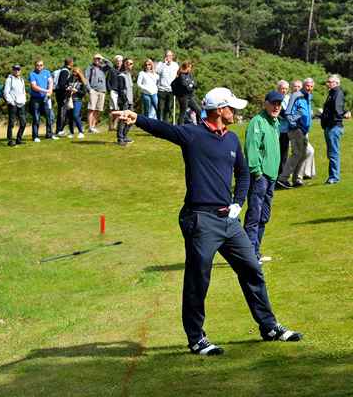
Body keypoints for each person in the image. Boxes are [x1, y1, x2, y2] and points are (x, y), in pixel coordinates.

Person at [112, 87, 302, 355]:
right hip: (200, 219)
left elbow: (244, 174)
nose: (236, 112)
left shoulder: (232, 140)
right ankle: (196, 338)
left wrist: (238, 203)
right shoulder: (192, 134)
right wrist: (137, 118)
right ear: (219, 110)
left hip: (229, 221)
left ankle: (269, 326)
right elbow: (163, 128)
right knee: (198, 279)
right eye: (232, 108)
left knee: (252, 269)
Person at [244, 91, 284, 265]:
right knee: (254, 215)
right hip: (260, 177)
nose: (276, 107)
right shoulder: (257, 122)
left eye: (279, 104)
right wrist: (258, 173)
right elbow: (251, 148)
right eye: (273, 103)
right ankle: (249, 255)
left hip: (271, 177)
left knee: (264, 216)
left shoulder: (275, 122)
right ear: (265, 103)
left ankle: (256, 252)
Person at [277, 78, 314, 188]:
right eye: (307, 86)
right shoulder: (296, 96)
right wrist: (295, 124)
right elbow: (288, 113)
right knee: (297, 154)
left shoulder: (307, 97)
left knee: (305, 153)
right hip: (295, 130)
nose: (309, 88)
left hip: (303, 130)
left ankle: (297, 178)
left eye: (311, 86)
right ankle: (283, 178)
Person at [321, 74, 351, 184]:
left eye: (330, 82)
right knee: (331, 153)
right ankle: (332, 176)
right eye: (327, 81)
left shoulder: (337, 93)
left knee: (333, 153)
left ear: (336, 83)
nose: (327, 83)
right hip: (330, 126)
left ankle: (334, 177)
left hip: (334, 127)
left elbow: (338, 110)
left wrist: (343, 114)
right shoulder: (332, 93)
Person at [85, 53, 113, 134]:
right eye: (96, 58)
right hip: (93, 90)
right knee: (91, 109)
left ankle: (93, 126)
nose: (97, 60)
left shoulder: (103, 68)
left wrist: (103, 58)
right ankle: (90, 127)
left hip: (102, 91)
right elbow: (86, 79)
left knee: (98, 109)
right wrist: (89, 89)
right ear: (93, 59)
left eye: (99, 59)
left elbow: (110, 65)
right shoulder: (90, 68)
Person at [29, 60, 56, 142]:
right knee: (36, 117)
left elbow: (50, 81)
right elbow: (34, 87)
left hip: (45, 98)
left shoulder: (46, 72)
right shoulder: (32, 74)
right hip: (35, 98)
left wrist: (50, 89)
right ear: (35, 66)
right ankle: (35, 136)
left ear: (43, 66)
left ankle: (49, 134)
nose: (39, 67)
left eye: (41, 65)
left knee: (49, 116)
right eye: (37, 65)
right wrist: (46, 90)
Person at [3, 64, 27, 146]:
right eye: (15, 69)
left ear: (20, 70)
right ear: (12, 70)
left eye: (18, 69)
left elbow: (23, 91)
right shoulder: (9, 80)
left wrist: (24, 100)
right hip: (13, 104)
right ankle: (10, 140)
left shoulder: (21, 79)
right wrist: (11, 102)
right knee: (11, 123)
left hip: (21, 103)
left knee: (23, 123)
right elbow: (6, 92)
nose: (17, 71)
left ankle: (18, 139)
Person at [156, 50, 179, 123]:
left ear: (172, 57)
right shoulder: (161, 64)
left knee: (168, 108)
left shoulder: (175, 65)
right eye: (167, 55)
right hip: (161, 89)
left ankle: (165, 123)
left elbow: (177, 75)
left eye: (170, 56)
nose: (168, 57)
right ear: (165, 56)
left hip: (171, 90)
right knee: (160, 108)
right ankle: (159, 123)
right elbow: (158, 72)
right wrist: (164, 64)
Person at [117, 59, 135, 146]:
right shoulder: (121, 76)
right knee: (123, 120)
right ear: (125, 65)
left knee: (131, 119)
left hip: (130, 101)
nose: (131, 65)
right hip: (124, 102)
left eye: (132, 64)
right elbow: (121, 90)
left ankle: (124, 136)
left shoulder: (129, 75)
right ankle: (120, 138)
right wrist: (125, 101)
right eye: (129, 64)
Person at [66, 67, 88, 139]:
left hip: (77, 100)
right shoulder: (70, 78)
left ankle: (81, 132)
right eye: (73, 72)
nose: (74, 74)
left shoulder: (82, 81)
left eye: (76, 73)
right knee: (70, 117)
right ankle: (71, 132)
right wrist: (67, 88)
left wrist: (77, 91)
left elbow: (84, 93)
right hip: (70, 99)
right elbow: (66, 85)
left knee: (75, 115)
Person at [54, 58, 74, 137]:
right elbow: (62, 84)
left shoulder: (63, 70)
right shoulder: (65, 71)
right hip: (62, 95)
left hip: (61, 94)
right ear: (70, 63)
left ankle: (60, 130)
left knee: (62, 112)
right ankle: (59, 130)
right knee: (62, 112)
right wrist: (68, 87)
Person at [276, 80, 290, 175]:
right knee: (279, 153)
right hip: (279, 130)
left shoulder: (289, 98)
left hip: (288, 129)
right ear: (278, 89)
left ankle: (282, 174)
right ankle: (279, 174)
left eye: (285, 89)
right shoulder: (276, 99)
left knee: (285, 153)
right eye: (282, 89)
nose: (284, 90)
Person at [107, 55, 124, 131]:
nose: (119, 62)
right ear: (115, 61)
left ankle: (115, 125)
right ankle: (110, 126)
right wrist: (110, 90)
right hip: (113, 91)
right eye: (117, 61)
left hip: (121, 92)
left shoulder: (123, 71)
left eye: (120, 61)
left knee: (118, 109)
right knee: (112, 109)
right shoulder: (111, 70)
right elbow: (107, 81)